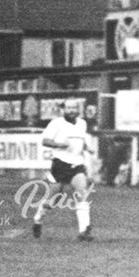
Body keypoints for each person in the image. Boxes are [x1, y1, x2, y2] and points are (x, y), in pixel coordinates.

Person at [32, 101, 94, 241]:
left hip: (77, 164)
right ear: (64, 110)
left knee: (81, 194)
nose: (71, 110)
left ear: (78, 110)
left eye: (74, 107)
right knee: (54, 199)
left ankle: (84, 230)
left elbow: (80, 141)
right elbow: (45, 141)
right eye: (69, 108)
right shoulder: (56, 123)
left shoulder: (82, 123)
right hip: (60, 164)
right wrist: (60, 144)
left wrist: (87, 148)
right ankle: (38, 219)